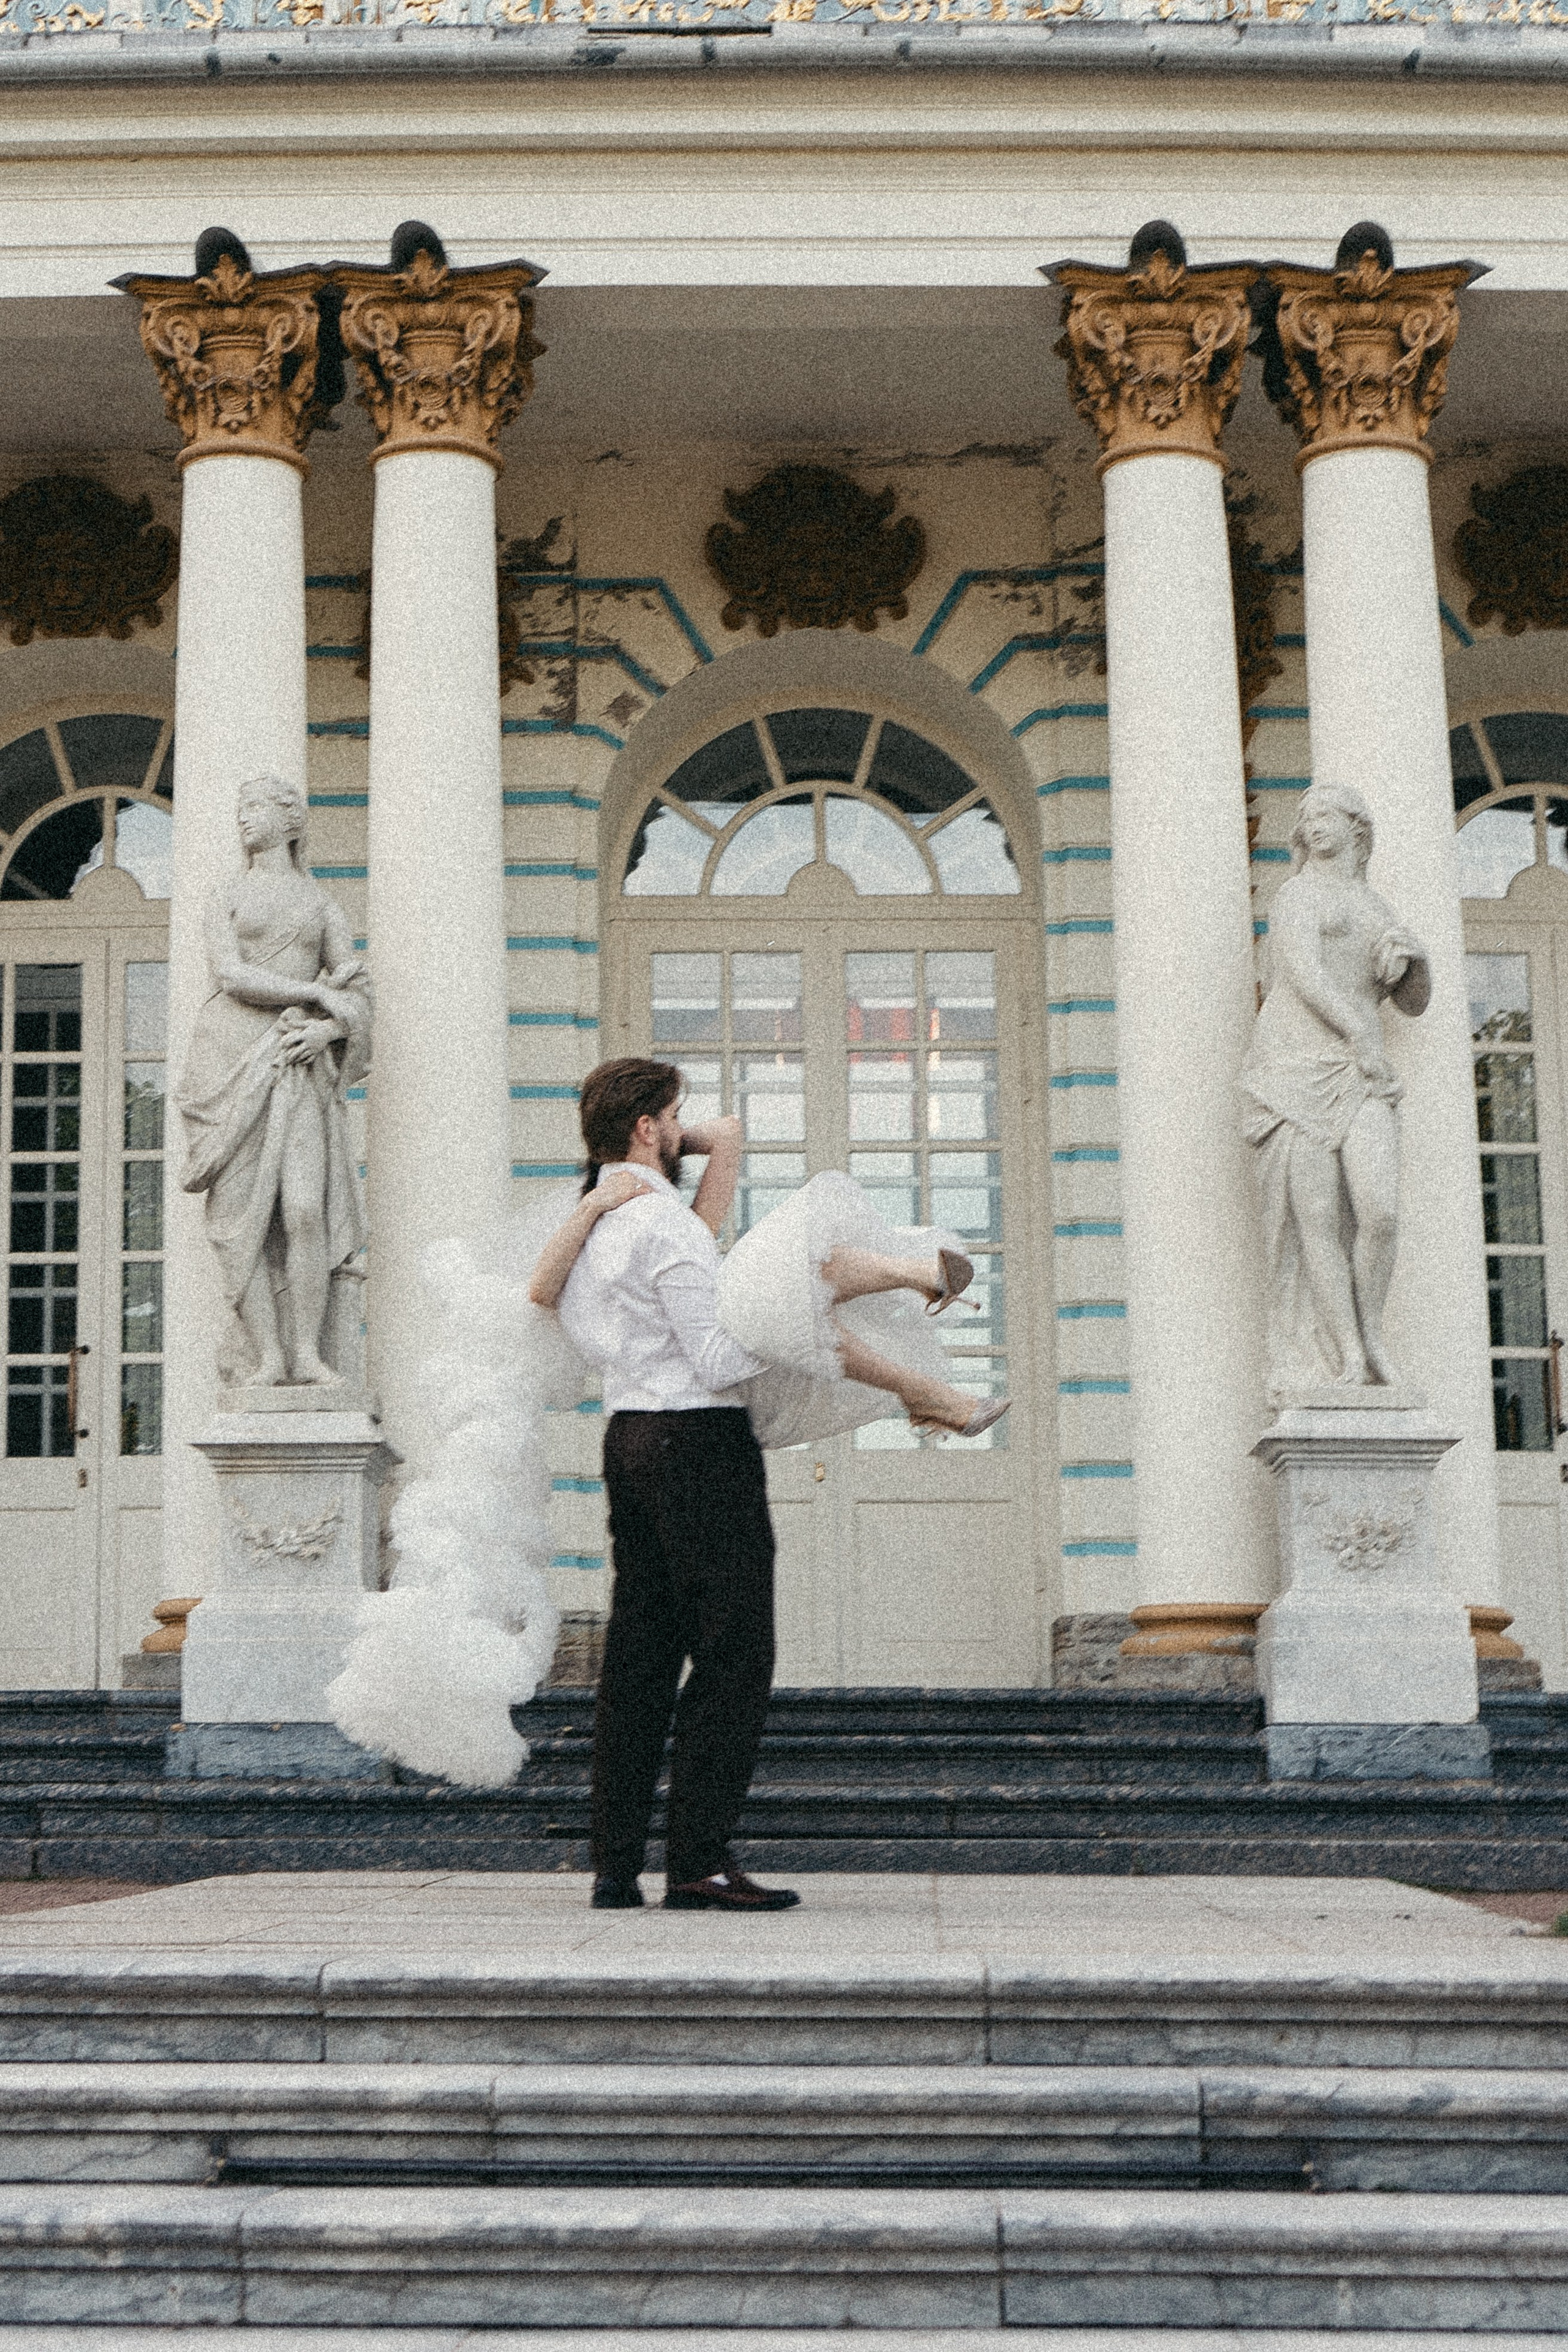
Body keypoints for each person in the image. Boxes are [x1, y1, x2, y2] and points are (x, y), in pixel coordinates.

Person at [530, 1055, 1007, 1914]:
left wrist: (693, 1144)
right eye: (674, 1116)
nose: (687, 1129)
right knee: (735, 1654)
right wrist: (792, 1325)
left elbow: (706, 1184)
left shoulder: (597, 1222)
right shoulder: (663, 1227)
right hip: (698, 1444)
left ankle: (615, 1867)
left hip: (629, 1439)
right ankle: (699, 1861)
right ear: (647, 1128)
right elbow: (717, 1359)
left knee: (639, 1658)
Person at [178, 774, 372, 1388]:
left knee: (306, 1209)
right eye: (241, 808)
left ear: (291, 821)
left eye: (256, 807)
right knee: (245, 1222)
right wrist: (316, 992)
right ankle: (268, 1356)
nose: (244, 818)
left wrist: (328, 1031)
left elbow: (359, 992)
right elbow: (231, 975)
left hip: (296, 1062)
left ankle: (308, 1353)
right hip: (228, 1057)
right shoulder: (226, 896)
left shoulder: (322, 905)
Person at [1240, 780, 1430, 1397]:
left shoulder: (1376, 907)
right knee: (1315, 1220)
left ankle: (1372, 1336)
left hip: (1358, 1070)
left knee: (1380, 1213)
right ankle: (1348, 1354)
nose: (1313, 824)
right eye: (1306, 817)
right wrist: (1359, 1031)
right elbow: (1302, 971)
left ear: (1357, 827)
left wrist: (1418, 963)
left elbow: (1412, 1002)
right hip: (1295, 1066)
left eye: (1325, 814)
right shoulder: (1298, 894)